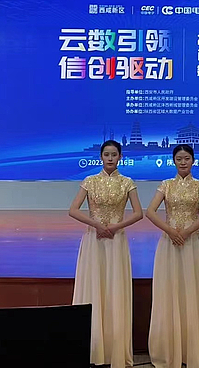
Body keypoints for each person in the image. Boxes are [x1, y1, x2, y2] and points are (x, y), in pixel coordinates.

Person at [69, 140, 143, 368]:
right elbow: (73, 210)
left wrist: (115, 227)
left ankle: (114, 350)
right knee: (94, 286)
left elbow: (138, 213)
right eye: (106, 154)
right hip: (94, 239)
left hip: (116, 239)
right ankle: (93, 349)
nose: (110, 158)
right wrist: (97, 225)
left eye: (114, 154)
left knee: (114, 288)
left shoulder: (127, 182)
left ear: (120, 157)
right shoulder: (89, 181)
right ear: (101, 157)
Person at [146, 144, 199, 368]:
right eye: (179, 159)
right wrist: (170, 230)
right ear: (174, 161)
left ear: (193, 160)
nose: (183, 162)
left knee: (192, 289)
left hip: (192, 242)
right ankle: (169, 350)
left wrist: (187, 231)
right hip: (169, 242)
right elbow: (150, 211)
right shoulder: (166, 185)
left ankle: (193, 350)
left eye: (187, 158)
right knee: (169, 289)